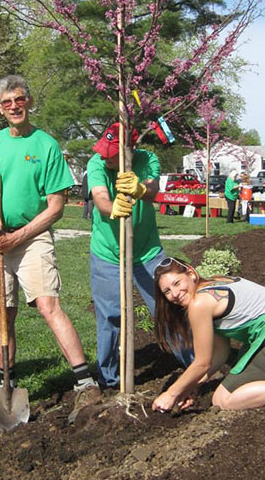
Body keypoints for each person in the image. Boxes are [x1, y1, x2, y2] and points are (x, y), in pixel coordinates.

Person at [0, 75, 100, 421]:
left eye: (19, 99)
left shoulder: (45, 145)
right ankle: (6, 386)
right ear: (0, 109)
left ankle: (84, 381)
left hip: (32, 237)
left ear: (28, 102)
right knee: (3, 312)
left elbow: (56, 207)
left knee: (48, 304)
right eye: (6, 102)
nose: (14, 106)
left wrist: (20, 236)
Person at [87, 123, 193, 389]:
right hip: (107, 254)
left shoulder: (147, 160)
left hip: (147, 252)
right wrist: (112, 208)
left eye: (111, 153)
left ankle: (195, 364)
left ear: (128, 151)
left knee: (167, 308)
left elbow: (153, 190)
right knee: (110, 316)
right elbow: (100, 198)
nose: (104, 157)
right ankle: (110, 380)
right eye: (103, 150)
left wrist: (140, 190)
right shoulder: (96, 164)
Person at [152, 257, 265, 413]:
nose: (174, 293)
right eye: (167, 291)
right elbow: (220, 352)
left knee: (223, 399)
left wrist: (171, 394)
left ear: (191, 273)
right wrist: (192, 386)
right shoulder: (218, 282)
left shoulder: (199, 303)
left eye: (177, 283)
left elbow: (202, 363)